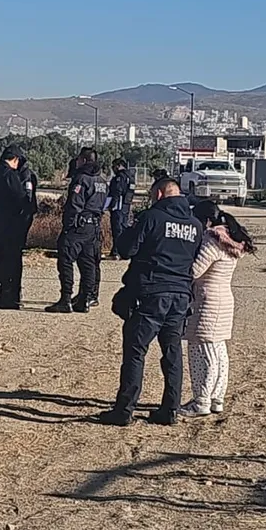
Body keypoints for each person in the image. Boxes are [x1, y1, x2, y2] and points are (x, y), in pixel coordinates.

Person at [98, 177, 203, 426]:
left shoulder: (152, 217)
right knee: (172, 353)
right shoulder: (195, 225)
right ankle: (170, 409)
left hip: (151, 294)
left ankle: (124, 410)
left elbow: (127, 249)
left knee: (135, 352)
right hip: (180, 296)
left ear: (158, 195)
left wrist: (125, 227)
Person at [180, 201, 256, 417]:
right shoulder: (231, 240)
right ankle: (216, 398)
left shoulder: (211, 240)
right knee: (219, 352)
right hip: (223, 299)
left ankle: (201, 401)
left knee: (202, 353)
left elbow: (195, 271)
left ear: (205, 221)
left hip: (207, 302)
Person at [46, 148, 107, 313]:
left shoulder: (81, 179)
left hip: (78, 226)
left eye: (78, 160)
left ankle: (65, 299)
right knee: (88, 264)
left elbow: (74, 204)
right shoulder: (102, 181)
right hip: (93, 227)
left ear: (84, 160)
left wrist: (68, 225)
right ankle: (85, 299)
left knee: (65, 259)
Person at [0, 146, 38, 309]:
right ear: (15, 159)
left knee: (2, 254)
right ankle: (8, 297)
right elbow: (21, 198)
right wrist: (25, 214)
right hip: (13, 223)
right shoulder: (10, 175)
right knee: (12, 259)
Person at [105, 158, 136, 260]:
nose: (113, 169)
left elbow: (116, 192)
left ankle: (116, 252)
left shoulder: (120, 177)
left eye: (113, 166)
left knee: (117, 229)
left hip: (118, 207)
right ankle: (123, 252)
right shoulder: (130, 177)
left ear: (118, 166)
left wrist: (111, 205)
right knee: (123, 229)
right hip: (126, 207)